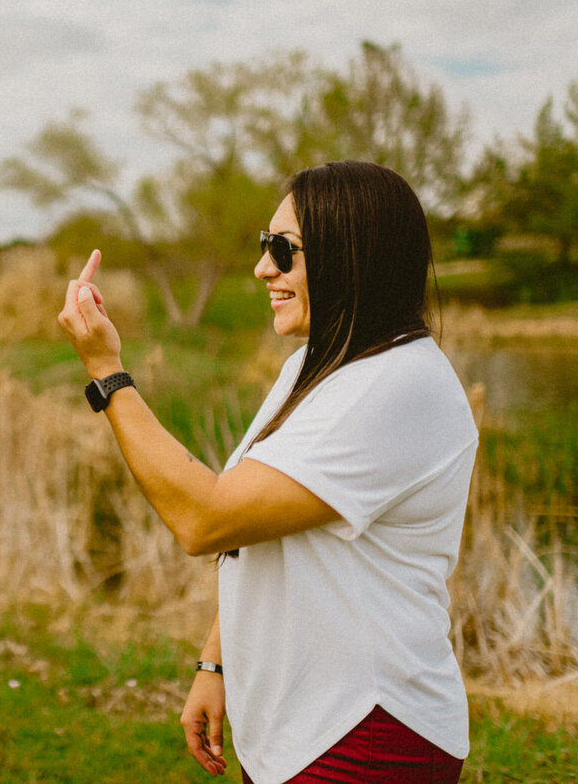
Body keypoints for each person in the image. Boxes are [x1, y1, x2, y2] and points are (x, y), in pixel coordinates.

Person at [58, 161, 476, 784]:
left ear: (350, 257)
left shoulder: (396, 386)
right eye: (264, 246)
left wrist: (107, 373)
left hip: (367, 732)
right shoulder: (318, 362)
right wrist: (216, 663)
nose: (263, 269)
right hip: (298, 725)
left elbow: (207, 520)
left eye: (284, 250)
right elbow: (257, 524)